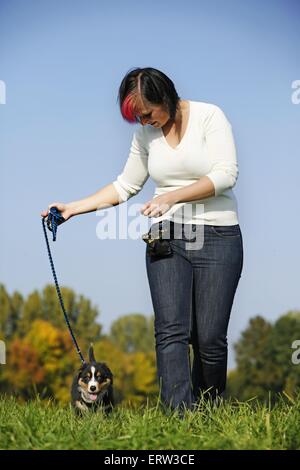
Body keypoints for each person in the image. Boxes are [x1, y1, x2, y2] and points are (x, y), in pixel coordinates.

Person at [41, 67, 243, 414]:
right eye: (137, 118)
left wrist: (172, 196)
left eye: (147, 113)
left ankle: (208, 411)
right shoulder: (145, 136)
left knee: (210, 338)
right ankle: (178, 416)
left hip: (218, 234)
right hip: (166, 235)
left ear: (164, 97)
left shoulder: (210, 116)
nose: (144, 122)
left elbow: (226, 175)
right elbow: (125, 185)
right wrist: (74, 208)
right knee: (170, 331)